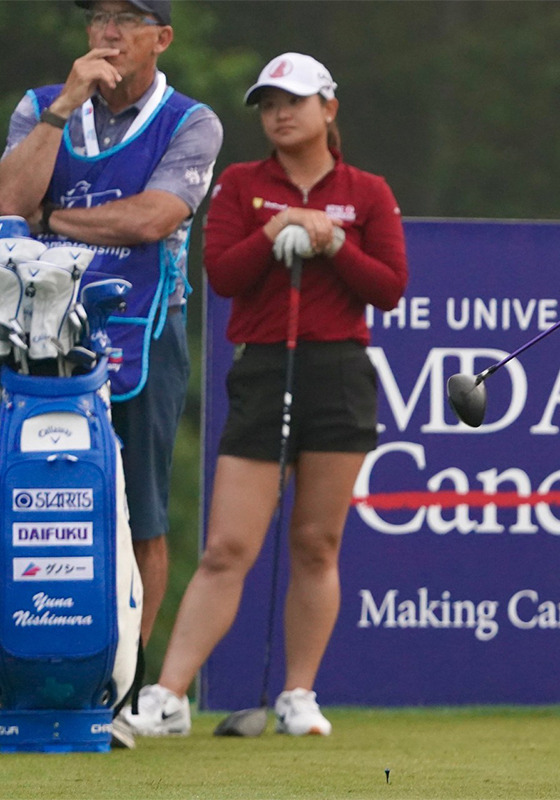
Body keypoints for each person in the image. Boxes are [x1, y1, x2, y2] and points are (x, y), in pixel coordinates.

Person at [124, 52, 408, 738]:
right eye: (269, 105)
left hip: (338, 374)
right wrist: (274, 231)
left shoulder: (367, 192)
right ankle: (169, 696)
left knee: (316, 543)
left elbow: (388, 287)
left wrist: (333, 243)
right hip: (262, 371)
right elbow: (223, 274)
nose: (279, 114)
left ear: (328, 109)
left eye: (294, 102)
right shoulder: (242, 185)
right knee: (228, 546)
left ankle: (298, 695)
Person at [0, 0, 222, 747]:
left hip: (143, 333)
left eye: (127, 17)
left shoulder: (190, 121)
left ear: (162, 37)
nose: (108, 32)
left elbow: (153, 219)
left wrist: (51, 219)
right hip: (29, 334)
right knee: (17, 494)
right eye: (97, 16)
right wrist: (62, 108)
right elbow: (6, 202)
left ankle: (121, 690)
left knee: (142, 514)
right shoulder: (41, 105)